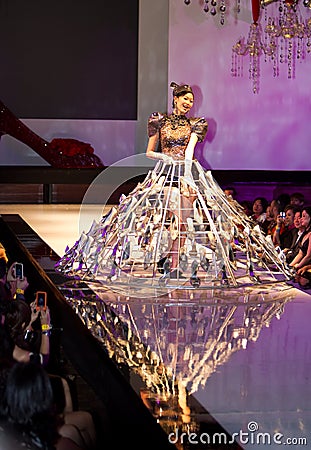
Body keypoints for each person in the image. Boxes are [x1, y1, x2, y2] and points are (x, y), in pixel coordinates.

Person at [55, 81, 292, 289]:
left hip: (186, 174)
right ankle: (166, 261)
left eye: (192, 100)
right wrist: (165, 158)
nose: (189, 103)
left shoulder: (196, 124)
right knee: (170, 221)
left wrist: (188, 177)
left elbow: (189, 153)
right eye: (185, 99)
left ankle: (173, 265)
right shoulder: (160, 121)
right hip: (165, 173)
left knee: (183, 224)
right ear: (176, 99)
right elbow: (149, 152)